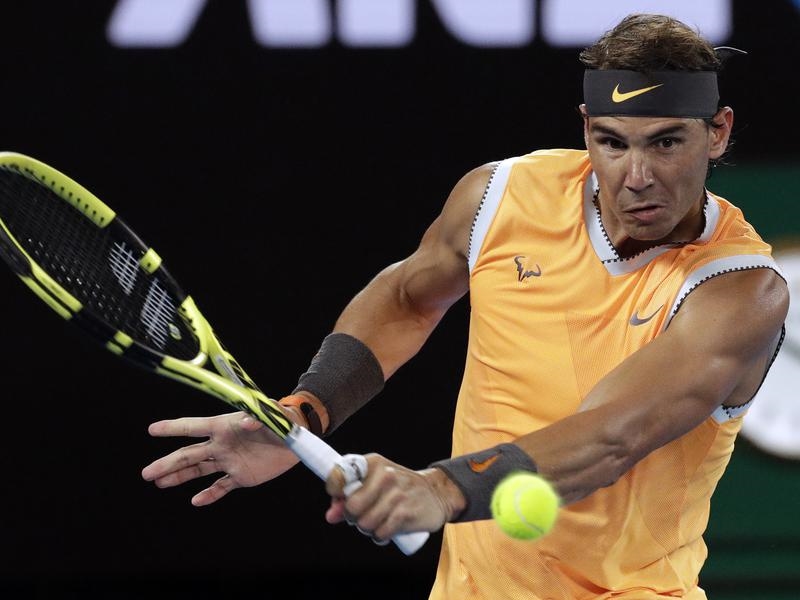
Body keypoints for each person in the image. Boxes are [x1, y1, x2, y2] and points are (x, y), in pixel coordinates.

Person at [141, 13, 789, 599]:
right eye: (613, 142)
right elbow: (404, 300)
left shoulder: (739, 291)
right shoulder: (501, 196)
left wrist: (441, 488)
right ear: (586, 130)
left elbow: (611, 436)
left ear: (717, 132)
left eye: (666, 143)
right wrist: (307, 412)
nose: (636, 176)